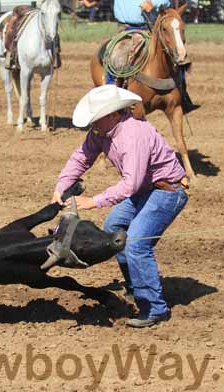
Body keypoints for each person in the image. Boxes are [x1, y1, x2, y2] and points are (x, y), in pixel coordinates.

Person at [51, 85, 188, 328]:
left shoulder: (132, 136)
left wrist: (93, 201)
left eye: (97, 118)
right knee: (114, 229)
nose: (92, 124)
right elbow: (81, 157)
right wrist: (62, 186)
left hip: (167, 191)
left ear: (114, 114)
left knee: (135, 243)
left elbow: (130, 184)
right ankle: (136, 286)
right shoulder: (101, 132)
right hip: (147, 190)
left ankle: (154, 308)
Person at [108, 0, 199, 114]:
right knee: (116, 56)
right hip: (126, 28)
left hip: (153, 27)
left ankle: (182, 95)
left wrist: (153, 3)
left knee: (176, 55)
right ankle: (110, 95)